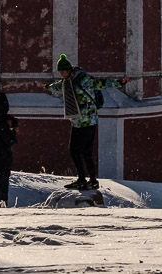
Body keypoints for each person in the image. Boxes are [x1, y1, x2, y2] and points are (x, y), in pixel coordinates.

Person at [45, 54, 125, 190]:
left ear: (69, 69)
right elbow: (58, 86)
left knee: (86, 151)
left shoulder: (83, 79)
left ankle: (93, 180)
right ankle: (81, 178)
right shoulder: (67, 81)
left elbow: (100, 83)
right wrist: (49, 87)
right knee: (73, 150)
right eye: (60, 72)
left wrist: (120, 82)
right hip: (76, 121)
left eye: (63, 71)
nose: (62, 74)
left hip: (89, 120)